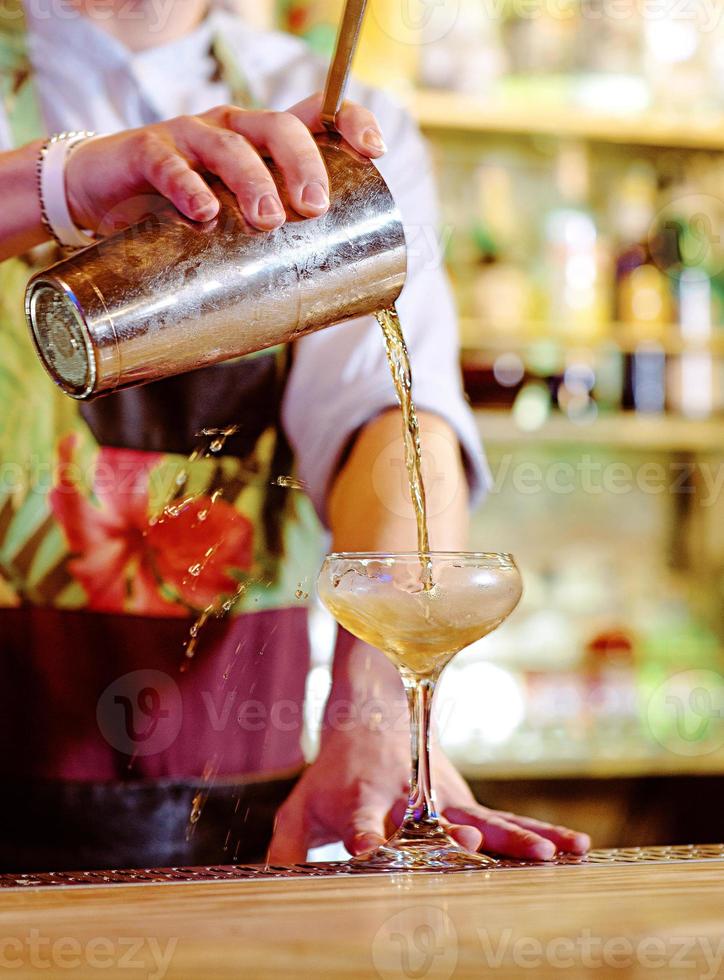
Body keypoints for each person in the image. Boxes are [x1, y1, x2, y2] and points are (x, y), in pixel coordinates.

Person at [0, 0, 590, 870]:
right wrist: (56, 184)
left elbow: (390, 422)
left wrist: (380, 709)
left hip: (247, 806)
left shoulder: (326, 111)